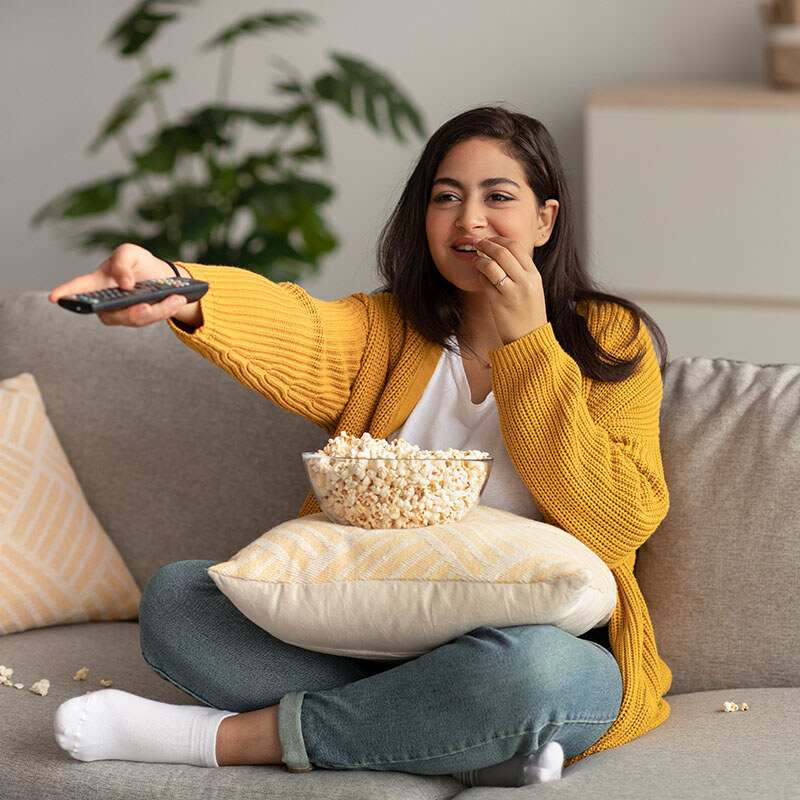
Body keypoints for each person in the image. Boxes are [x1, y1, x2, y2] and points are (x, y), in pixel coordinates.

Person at [48, 105, 672, 788]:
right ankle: (458, 736)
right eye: (446, 197)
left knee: (535, 676)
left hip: (532, 649)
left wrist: (528, 344)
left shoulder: (609, 338)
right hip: (364, 643)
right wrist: (180, 288)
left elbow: (620, 516)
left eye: (498, 196)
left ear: (545, 219)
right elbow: (297, 326)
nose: (469, 220)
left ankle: (229, 739)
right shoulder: (386, 331)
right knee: (179, 602)